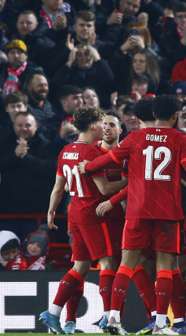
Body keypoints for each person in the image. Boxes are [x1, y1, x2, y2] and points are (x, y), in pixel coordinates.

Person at [79, 96, 186, 335]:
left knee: (126, 264)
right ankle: (161, 325)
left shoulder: (135, 137)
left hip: (137, 211)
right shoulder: (181, 138)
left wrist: (87, 167)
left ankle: (113, 319)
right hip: (168, 212)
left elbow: (104, 161)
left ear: (154, 115)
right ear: (175, 116)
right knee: (166, 267)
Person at [39, 106, 126, 334]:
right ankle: (108, 318)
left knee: (81, 266)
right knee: (108, 263)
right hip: (93, 212)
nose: (104, 128)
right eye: (102, 124)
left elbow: (58, 187)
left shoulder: (66, 150)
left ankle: (53, 312)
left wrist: (51, 211)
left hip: (75, 212)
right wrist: (133, 180)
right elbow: (105, 189)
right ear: (92, 126)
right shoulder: (91, 153)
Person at [0, 112, 57, 237]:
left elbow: (52, 168)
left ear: (36, 126)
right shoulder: (2, 145)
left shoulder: (47, 145)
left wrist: (26, 158)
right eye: (20, 125)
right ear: (13, 126)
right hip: (5, 213)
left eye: (28, 125)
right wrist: (14, 155)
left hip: (36, 213)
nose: (24, 128)